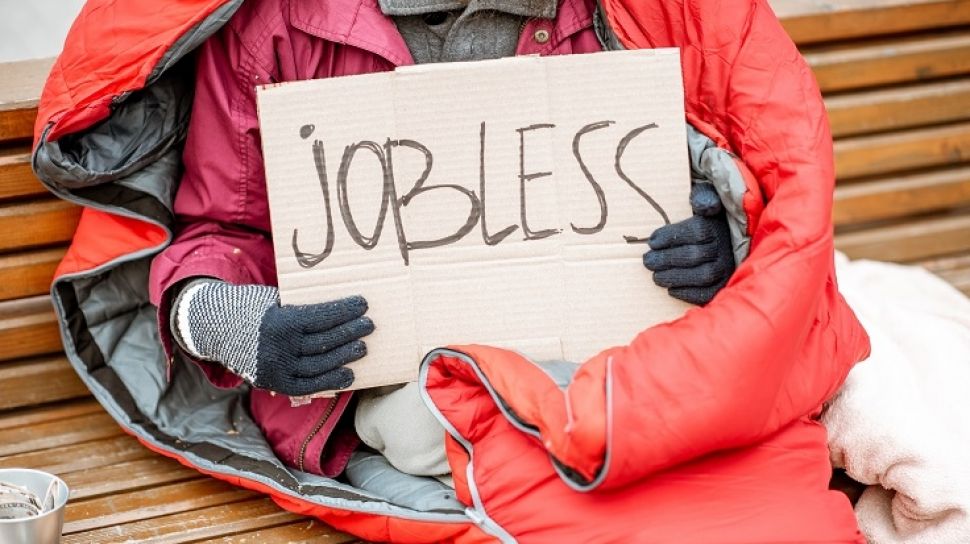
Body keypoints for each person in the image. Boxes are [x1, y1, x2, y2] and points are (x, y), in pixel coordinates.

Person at [150, 0, 737, 480]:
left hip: (611, 365)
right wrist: (233, 324)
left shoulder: (628, 10)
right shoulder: (277, 22)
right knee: (426, 427)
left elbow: (738, 176)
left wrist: (720, 248)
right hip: (382, 393)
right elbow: (221, 227)